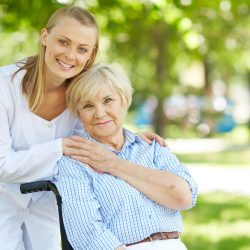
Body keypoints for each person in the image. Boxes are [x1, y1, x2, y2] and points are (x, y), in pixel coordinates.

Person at [0, 6, 165, 250]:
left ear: (91, 54)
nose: (70, 55)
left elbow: (96, 134)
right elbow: (2, 165)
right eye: (63, 42)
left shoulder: (82, 94)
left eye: (82, 49)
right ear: (45, 37)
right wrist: (60, 148)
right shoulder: (5, 86)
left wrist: (125, 137)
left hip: (48, 205)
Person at [54, 63, 198, 250]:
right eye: (88, 105)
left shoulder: (152, 148)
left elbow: (184, 197)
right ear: (78, 113)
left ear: (124, 100)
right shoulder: (74, 163)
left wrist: (113, 164)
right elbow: (87, 234)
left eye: (107, 100)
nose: (99, 113)